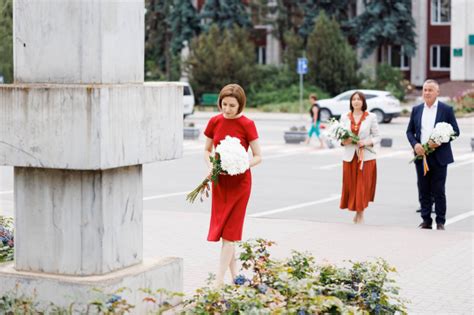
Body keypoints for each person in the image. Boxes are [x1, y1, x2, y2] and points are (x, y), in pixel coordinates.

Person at [203, 83, 262, 286]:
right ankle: (236, 277)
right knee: (225, 234)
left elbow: (258, 156)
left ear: (240, 106)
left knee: (230, 235)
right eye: (224, 104)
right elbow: (207, 150)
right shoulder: (214, 121)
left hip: (240, 184)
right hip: (221, 183)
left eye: (231, 106)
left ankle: (218, 283)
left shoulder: (247, 124)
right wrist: (212, 164)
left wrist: (240, 164)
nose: (226, 109)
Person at [406, 79, 460, 230]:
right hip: (421, 156)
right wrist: (415, 144)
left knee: (438, 190)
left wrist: (441, 140)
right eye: (425, 90)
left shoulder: (446, 109)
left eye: (430, 90)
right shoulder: (416, 109)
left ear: (437, 92)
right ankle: (426, 220)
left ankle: (440, 221)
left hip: (440, 157)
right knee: (423, 189)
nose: (427, 93)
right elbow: (409, 131)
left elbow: (456, 132)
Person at [339, 91, 380, 224]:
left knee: (362, 186)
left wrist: (366, 142)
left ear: (363, 102)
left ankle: (360, 214)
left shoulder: (371, 117)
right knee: (352, 186)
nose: (356, 101)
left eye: (359, 99)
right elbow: (339, 136)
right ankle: (356, 213)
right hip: (350, 156)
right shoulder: (344, 117)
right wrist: (343, 141)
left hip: (366, 157)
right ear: (351, 102)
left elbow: (378, 136)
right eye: (354, 99)